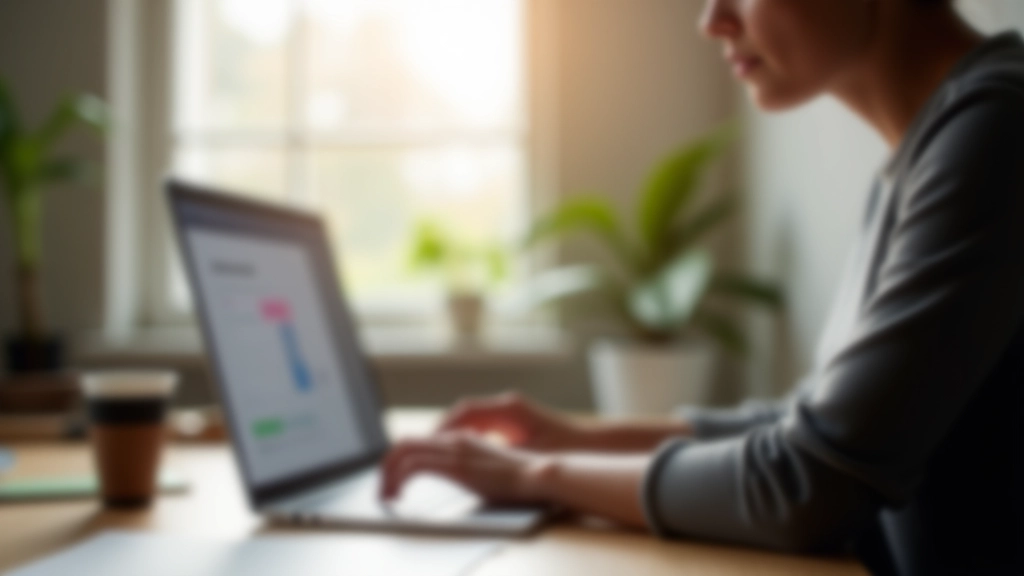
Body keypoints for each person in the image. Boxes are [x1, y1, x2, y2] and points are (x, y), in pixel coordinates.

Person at [380, 1, 1024, 574]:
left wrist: (535, 477)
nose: (711, 20)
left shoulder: (997, 129)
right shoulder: (928, 148)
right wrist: (572, 436)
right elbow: (815, 427)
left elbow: (812, 485)